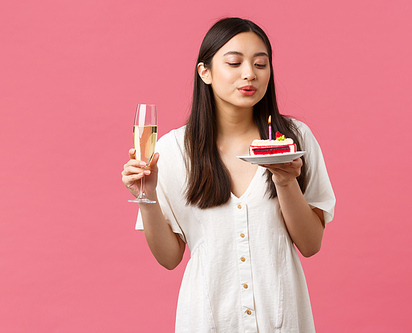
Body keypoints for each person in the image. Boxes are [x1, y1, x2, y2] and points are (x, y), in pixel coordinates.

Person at [122, 17, 335, 333]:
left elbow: (310, 244)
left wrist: (285, 180)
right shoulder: (173, 150)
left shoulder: (294, 140)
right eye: (234, 63)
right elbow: (169, 258)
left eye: (260, 64)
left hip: (282, 319)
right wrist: (147, 195)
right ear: (204, 72)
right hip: (207, 320)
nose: (249, 73)